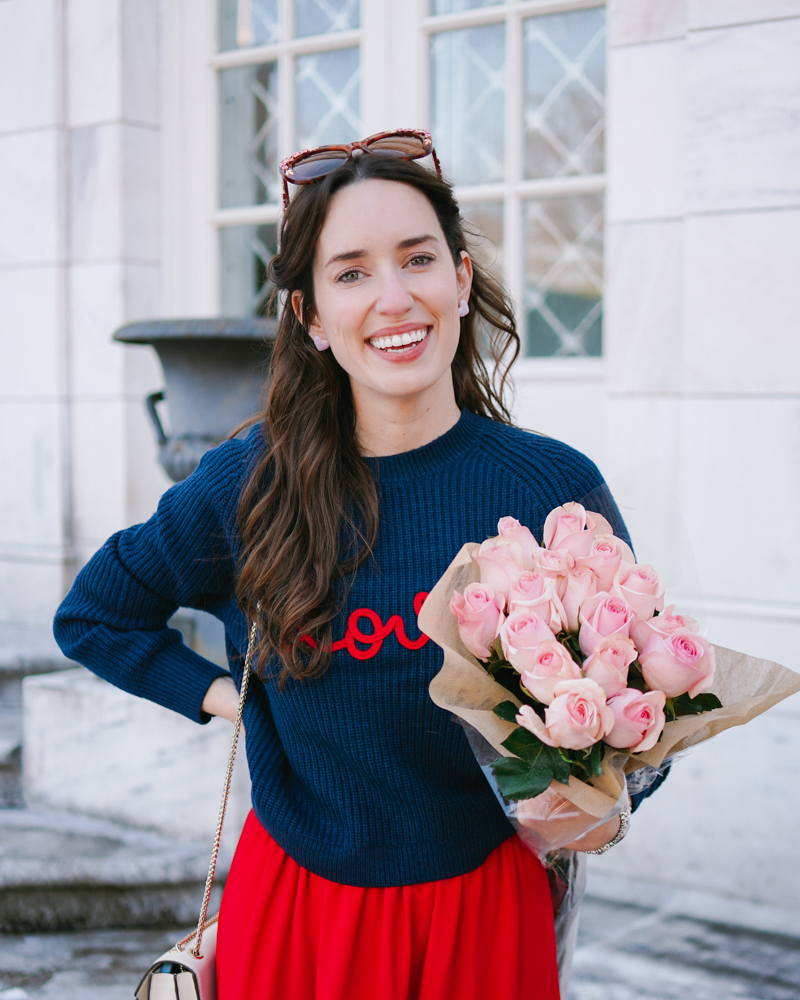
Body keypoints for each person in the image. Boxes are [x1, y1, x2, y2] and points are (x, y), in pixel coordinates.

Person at [54, 130, 643, 1000]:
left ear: (462, 281)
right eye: (352, 272)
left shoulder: (553, 487)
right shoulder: (251, 481)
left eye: (418, 259)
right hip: (295, 915)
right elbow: (95, 616)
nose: (395, 298)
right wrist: (234, 700)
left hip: (483, 919)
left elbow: (635, 716)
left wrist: (595, 807)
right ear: (311, 317)